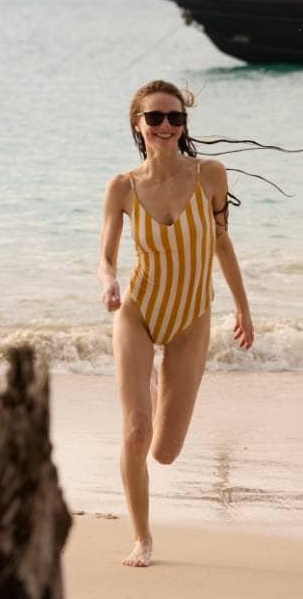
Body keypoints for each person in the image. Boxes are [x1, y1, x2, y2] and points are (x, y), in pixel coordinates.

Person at [97, 80, 254, 567]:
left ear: (184, 125)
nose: (166, 126)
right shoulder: (123, 187)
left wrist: (243, 309)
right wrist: (108, 283)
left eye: (175, 118)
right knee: (137, 431)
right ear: (137, 124)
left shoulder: (210, 175)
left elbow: (222, 243)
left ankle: (159, 382)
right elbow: (105, 256)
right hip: (138, 313)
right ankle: (142, 539)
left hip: (191, 318)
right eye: (156, 118)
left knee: (164, 452)